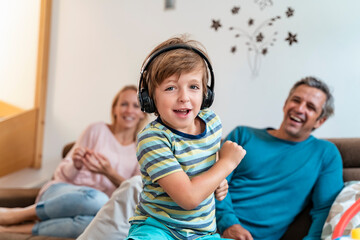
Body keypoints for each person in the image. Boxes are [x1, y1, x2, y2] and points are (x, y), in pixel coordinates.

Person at [125, 35, 246, 240]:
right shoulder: (152, 138)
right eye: (171, 88)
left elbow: (208, 167)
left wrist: (219, 180)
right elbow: (189, 198)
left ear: (206, 94)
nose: (184, 97)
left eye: (193, 87)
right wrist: (227, 164)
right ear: (150, 98)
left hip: (203, 233)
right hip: (158, 228)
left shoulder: (212, 122)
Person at [0, 85, 147, 238]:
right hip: (61, 192)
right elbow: (60, 174)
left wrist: (109, 173)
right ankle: (20, 214)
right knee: (98, 199)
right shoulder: (97, 130)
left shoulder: (141, 150)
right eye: (124, 104)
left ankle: (12, 229)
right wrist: (75, 165)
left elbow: (134, 193)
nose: (129, 110)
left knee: (93, 222)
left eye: (136, 106)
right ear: (114, 109)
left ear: (143, 113)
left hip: (98, 208)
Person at [215, 77, 344, 240]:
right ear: (285, 104)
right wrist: (229, 224)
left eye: (310, 107)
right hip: (204, 226)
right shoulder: (243, 135)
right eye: (296, 100)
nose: (299, 109)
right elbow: (215, 180)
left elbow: (325, 212)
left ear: (320, 121)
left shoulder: (326, 154)